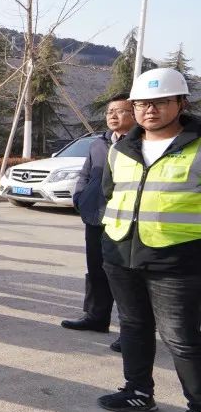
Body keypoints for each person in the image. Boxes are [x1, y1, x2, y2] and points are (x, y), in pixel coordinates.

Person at [97, 67, 201, 412]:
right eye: (142, 103)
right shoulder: (121, 147)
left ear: (181, 103)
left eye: (160, 102)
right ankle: (138, 391)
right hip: (121, 254)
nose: (149, 110)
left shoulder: (197, 146)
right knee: (134, 326)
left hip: (176, 260)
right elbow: (108, 193)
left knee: (181, 339)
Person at [62, 94, 134, 346]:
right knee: (96, 270)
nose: (113, 116)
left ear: (135, 114)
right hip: (95, 217)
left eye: (120, 111)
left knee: (125, 277)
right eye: (109, 111)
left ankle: (131, 331)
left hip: (125, 221)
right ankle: (96, 317)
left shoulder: (140, 144)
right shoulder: (99, 144)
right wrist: (80, 198)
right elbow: (85, 175)